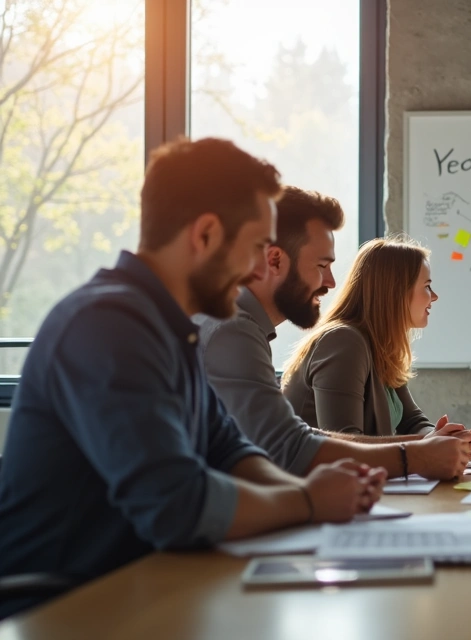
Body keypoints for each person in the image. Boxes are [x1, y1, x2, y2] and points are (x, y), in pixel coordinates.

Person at [0, 138, 382, 618]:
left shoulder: (170, 328)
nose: (258, 270)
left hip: (145, 591)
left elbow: (229, 450)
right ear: (205, 235)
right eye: (256, 248)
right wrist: (307, 500)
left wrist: (310, 492)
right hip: (67, 610)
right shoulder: (107, 325)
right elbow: (176, 504)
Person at [197, 187, 471, 481]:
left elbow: (293, 437)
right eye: (321, 266)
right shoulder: (234, 333)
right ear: (275, 260)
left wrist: (436, 444)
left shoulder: (242, 330)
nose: (331, 282)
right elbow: (290, 448)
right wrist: (420, 453)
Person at [281, 236, 471, 478]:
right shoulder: (344, 341)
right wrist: (428, 447)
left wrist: (446, 439)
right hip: (312, 488)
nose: (434, 296)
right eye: (426, 286)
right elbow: (344, 442)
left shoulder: (381, 345)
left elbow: (412, 421)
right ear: (396, 292)